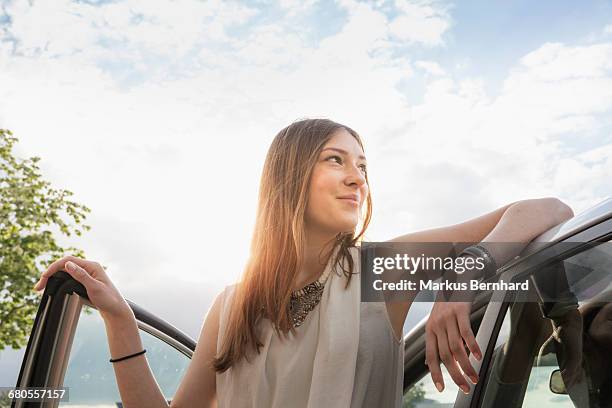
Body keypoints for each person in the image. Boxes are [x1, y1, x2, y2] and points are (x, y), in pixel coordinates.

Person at [33, 118, 574, 407]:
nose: (357, 177)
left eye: (362, 164)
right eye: (335, 160)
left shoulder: (380, 273)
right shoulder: (233, 306)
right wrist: (118, 321)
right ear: (288, 176)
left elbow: (545, 209)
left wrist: (464, 274)